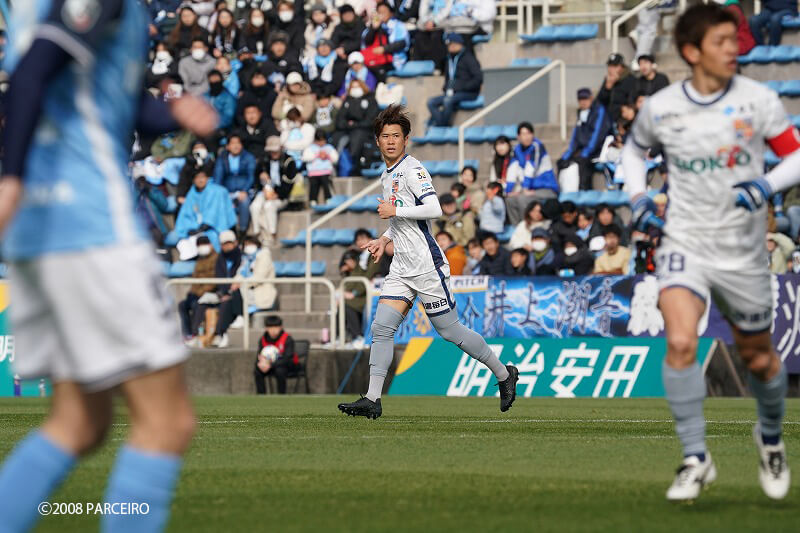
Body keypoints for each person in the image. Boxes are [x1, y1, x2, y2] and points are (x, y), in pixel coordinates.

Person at [0, 1, 218, 530]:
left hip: (42, 232)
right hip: (90, 228)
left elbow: (100, 100)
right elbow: (30, 74)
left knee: (79, 423)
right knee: (167, 423)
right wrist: (10, 180)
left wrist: (172, 113)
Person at [621, 3, 800, 501]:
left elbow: (795, 154)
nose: (733, 49)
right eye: (721, 41)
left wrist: (764, 185)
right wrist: (638, 197)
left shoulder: (758, 100)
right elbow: (633, 151)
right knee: (680, 342)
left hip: (742, 251)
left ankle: (769, 437)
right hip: (685, 241)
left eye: (733, 39)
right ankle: (695, 457)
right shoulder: (663, 107)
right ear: (691, 51)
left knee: (759, 358)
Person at [337, 105, 519, 419]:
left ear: (405, 140)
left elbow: (434, 209)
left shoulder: (413, 169)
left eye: (396, 136)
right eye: (385, 136)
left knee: (450, 331)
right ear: (377, 141)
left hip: (426, 266)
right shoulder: (386, 174)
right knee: (381, 327)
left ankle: (504, 374)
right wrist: (384, 238)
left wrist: (394, 212)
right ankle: (372, 399)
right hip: (401, 268)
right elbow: (401, 220)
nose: (390, 141)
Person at [213, 237, 278, 348]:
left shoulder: (264, 256)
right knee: (227, 303)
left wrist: (240, 284)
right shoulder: (246, 259)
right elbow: (240, 274)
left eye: (251, 244)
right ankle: (222, 333)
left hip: (260, 291)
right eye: (246, 244)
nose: (248, 247)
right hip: (246, 291)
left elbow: (259, 277)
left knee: (235, 294)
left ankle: (240, 316)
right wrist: (236, 282)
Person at [170, 166, 237, 253]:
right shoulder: (191, 193)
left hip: (214, 228)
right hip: (195, 228)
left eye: (202, 177)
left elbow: (215, 213)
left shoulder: (217, 191)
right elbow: (186, 214)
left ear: (207, 178)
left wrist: (202, 228)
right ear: (193, 180)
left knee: (211, 237)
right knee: (174, 238)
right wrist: (190, 228)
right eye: (197, 178)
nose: (200, 180)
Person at [558, 88, 611, 191]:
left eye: (585, 99)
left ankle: (584, 192)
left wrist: (585, 153)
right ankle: (564, 193)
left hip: (597, 150)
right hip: (583, 150)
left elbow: (597, 136)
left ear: (591, 98)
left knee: (582, 163)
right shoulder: (581, 114)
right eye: (580, 99)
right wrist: (567, 154)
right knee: (562, 162)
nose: (583, 102)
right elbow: (575, 137)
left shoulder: (599, 111)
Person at [505, 122, 558, 223]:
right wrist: (509, 191)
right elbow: (512, 170)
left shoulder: (537, 146)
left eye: (529, 133)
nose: (526, 137)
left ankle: (527, 226)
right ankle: (517, 228)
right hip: (530, 190)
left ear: (533, 135)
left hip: (546, 189)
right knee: (510, 200)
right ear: (518, 137)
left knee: (522, 199)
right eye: (523, 134)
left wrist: (525, 188)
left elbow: (531, 168)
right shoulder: (517, 149)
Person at [426, 33, 482, 127]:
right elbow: (448, 79)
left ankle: (442, 127)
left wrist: (463, 87)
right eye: (449, 45)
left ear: (460, 44)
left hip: (469, 93)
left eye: (453, 44)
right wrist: (447, 88)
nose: (451, 47)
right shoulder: (449, 59)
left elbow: (478, 78)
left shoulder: (469, 58)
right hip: (453, 93)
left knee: (448, 101)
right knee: (431, 102)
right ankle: (443, 125)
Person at [178, 235, 220, 343]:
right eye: (199, 245)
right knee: (182, 305)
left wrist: (200, 292)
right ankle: (187, 333)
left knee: (196, 304)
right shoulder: (200, 260)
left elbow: (214, 280)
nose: (202, 247)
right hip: (197, 292)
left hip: (211, 292)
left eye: (204, 244)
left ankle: (194, 333)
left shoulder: (217, 258)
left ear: (210, 245)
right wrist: (192, 292)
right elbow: (195, 278)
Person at [333, 79, 379, 174]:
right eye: (353, 87)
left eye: (357, 87)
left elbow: (371, 120)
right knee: (336, 137)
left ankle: (355, 165)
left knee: (358, 136)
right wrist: (348, 124)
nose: (355, 89)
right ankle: (336, 165)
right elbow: (340, 119)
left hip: (365, 130)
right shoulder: (347, 101)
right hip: (347, 129)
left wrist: (355, 124)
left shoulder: (371, 99)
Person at [214, 133, 257, 232]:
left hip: (245, 191)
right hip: (227, 191)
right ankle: (227, 231)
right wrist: (220, 193)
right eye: (233, 143)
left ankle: (243, 230)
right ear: (227, 146)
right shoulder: (222, 158)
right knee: (221, 203)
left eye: (238, 143)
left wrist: (244, 190)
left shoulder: (249, 157)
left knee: (244, 202)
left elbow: (251, 177)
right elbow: (218, 177)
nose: (236, 146)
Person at [360, 2, 410, 81]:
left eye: (384, 12)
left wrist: (384, 49)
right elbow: (366, 42)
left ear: (391, 13)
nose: (382, 15)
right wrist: (374, 28)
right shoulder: (374, 27)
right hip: (377, 60)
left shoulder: (398, 25)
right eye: (380, 12)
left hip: (395, 61)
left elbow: (402, 43)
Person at [254, 316, 299, 394]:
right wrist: (261, 363)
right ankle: (261, 395)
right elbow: (259, 356)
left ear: (281, 327)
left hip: (287, 366)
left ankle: (281, 395)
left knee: (280, 370)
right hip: (270, 366)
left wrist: (270, 364)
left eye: (276, 327)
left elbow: (288, 358)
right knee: (257, 370)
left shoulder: (287, 339)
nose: (273, 330)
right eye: (271, 327)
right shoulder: (263, 340)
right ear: (266, 328)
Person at [339, 250, 369, 345]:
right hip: (352, 297)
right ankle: (340, 336)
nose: (347, 264)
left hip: (361, 297)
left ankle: (357, 336)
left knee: (347, 305)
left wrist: (354, 294)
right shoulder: (350, 272)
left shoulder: (360, 269)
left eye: (348, 261)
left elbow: (361, 286)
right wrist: (344, 273)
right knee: (338, 305)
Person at [303, 130, 339, 205]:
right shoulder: (310, 148)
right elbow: (305, 158)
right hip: (313, 173)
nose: (321, 143)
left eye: (323, 140)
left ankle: (329, 200)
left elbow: (335, 159)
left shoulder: (329, 148)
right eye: (319, 141)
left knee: (327, 187)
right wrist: (317, 155)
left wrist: (327, 156)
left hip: (326, 172)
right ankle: (313, 201)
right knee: (313, 187)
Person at [597, 53, 636, 122]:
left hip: (623, 121)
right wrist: (607, 88)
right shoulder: (608, 80)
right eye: (609, 66)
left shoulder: (631, 80)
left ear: (622, 67)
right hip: (607, 120)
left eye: (615, 66)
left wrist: (623, 108)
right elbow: (599, 102)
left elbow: (632, 103)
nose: (611, 69)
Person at [413, 0, 449, 70]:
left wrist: (434, 22)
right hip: (426, 25)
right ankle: (418, 65)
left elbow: (447, 11)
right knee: (419, 37)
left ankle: (436, 66)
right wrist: (426, 21)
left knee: (436, 37)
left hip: (442, 24)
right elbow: (422, 11)